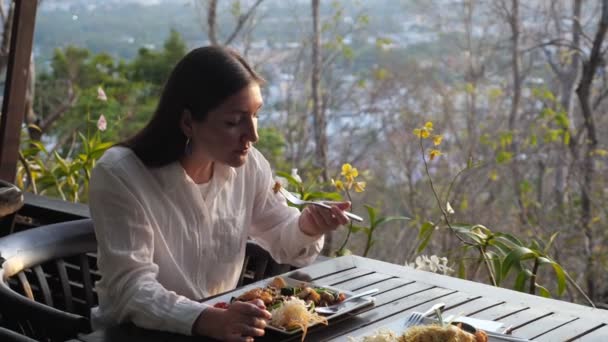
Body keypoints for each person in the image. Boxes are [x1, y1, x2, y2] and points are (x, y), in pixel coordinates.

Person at [88, 45, 351, 341]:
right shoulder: (121, 175)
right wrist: (207, 319)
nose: (253, 135)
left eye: (256, 115)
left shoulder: (248, 166)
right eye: (233, 121)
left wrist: (307, 227)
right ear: (188, 122)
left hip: (221, 330)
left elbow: (281, 235)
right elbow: (131, 289)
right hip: (134, 335)